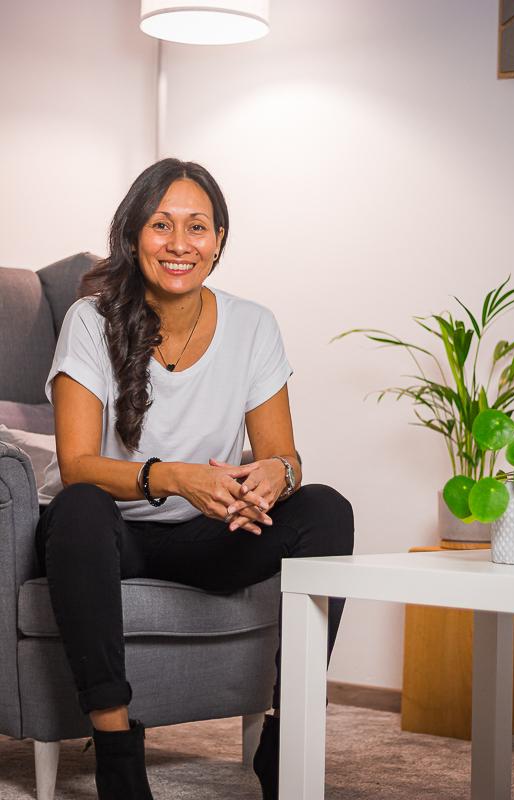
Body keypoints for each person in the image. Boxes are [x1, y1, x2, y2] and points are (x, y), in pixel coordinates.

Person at [35, 158, 354, 800]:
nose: (179, 244)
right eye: (161, 225)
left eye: (197, 227)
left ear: (218, 240)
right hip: (109, 538)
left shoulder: (254, 324)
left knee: (326, 509)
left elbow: (285, 457)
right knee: (79, 505)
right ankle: (118, 756)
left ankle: (285, 738)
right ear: (133, 237)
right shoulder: (90, 320)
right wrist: (178, 479)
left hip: (206, 535)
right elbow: (77, 466)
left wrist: (273, 477)